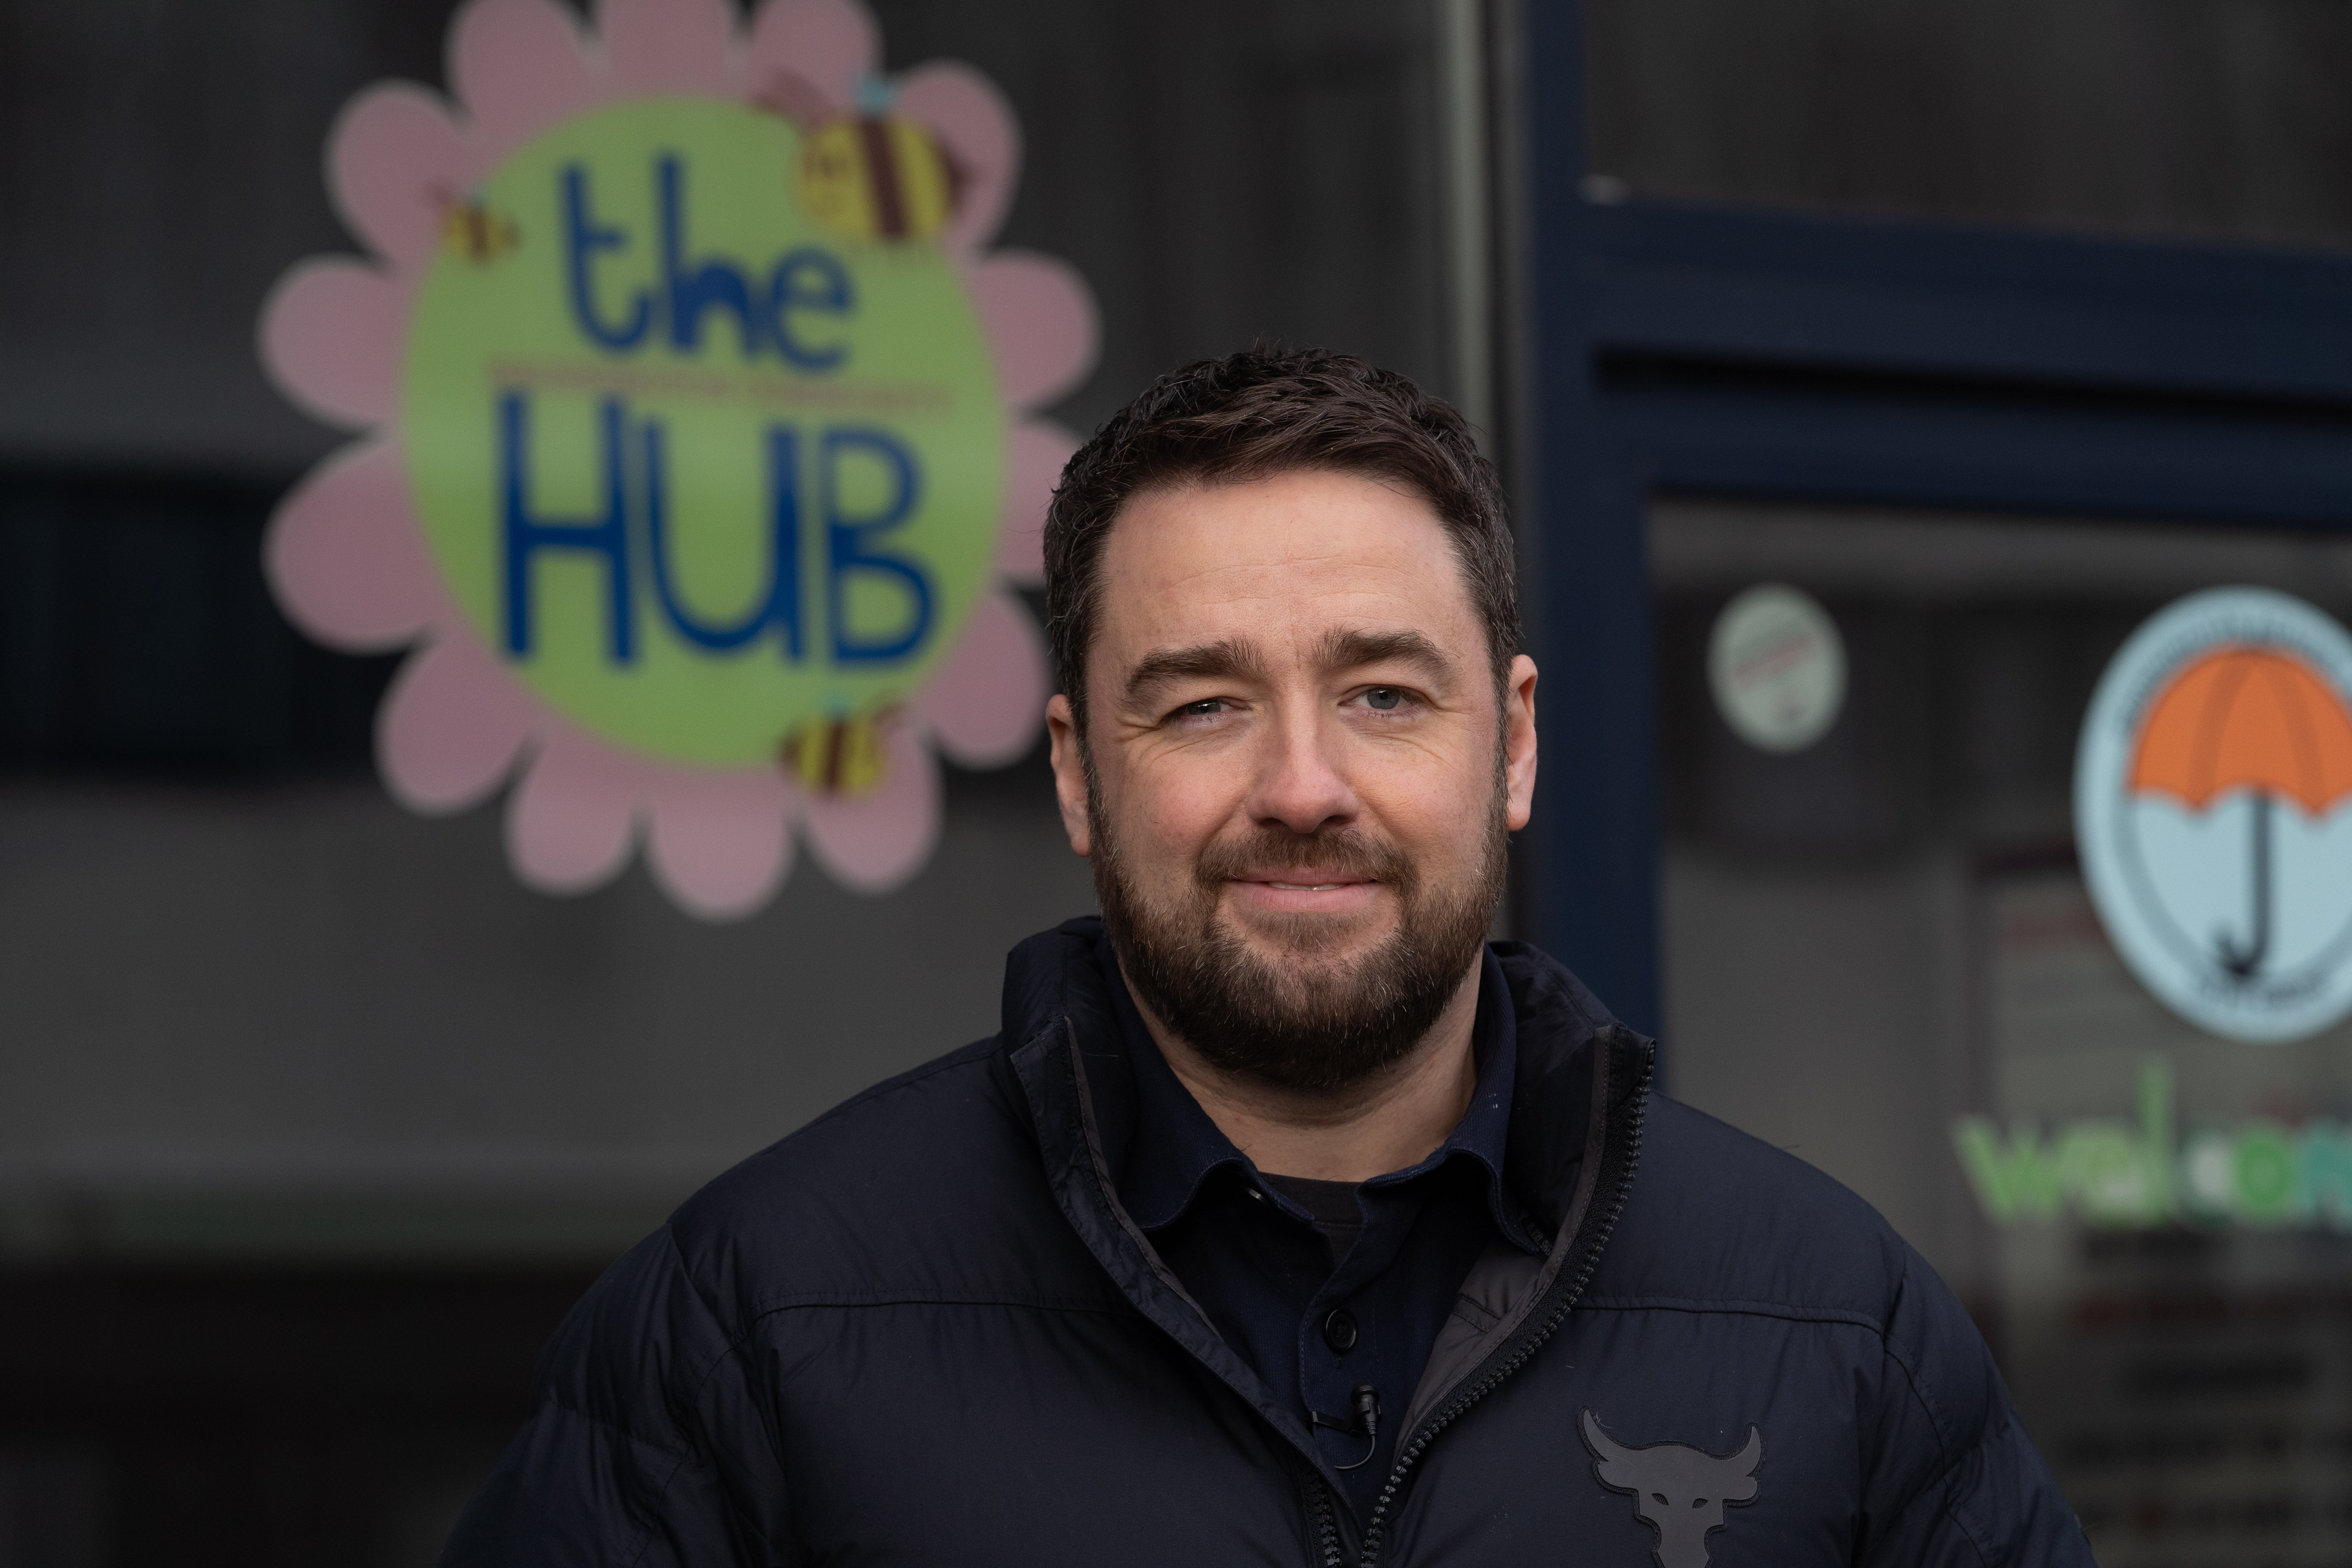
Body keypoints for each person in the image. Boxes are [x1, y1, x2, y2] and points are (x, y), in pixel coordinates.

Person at [441, 347, 2090, 1567]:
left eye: (1383, 692)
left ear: (1510, 744)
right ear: (1082, 772)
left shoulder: (1840, 1334)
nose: (1303, 786)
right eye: (1205, 701)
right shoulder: (755, 1325)